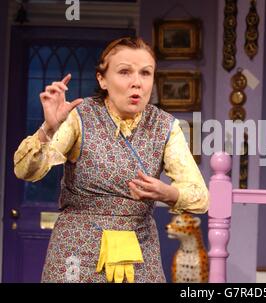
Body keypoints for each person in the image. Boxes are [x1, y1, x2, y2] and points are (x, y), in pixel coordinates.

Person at [13, 37, 209, 283]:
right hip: (77, 249)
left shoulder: (165, 126)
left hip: (139, 249)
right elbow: (25, 171)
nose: (137, 83)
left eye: (145, 73)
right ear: (102, 79)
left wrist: (167, 193)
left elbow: (200, 196)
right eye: (125, 72)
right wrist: (48, 129)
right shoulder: (80, 117)